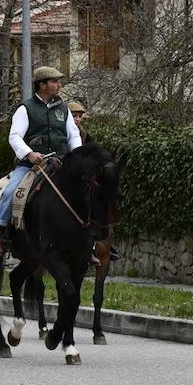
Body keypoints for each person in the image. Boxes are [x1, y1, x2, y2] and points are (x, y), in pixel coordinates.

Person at [0, 66, 82, 257]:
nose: (59, 85)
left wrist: (79, 157)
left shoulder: (63, 109)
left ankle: (88, 242)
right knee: (10, 191)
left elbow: (73, 136)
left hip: (61, 163)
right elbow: (14, 136)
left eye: (58, 81)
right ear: (42, 85)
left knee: (87, 191)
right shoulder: (26, 109)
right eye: (55, 81)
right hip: (32, 165)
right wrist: (29, 154)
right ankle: (0, 237)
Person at [67, 100, 120, 263]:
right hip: (65, 172)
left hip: (84, 176)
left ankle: (103, 243)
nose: (77, 119)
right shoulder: (62, 132)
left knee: (101, 199)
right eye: (74, 116)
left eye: (79, 116)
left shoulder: (85, 135)